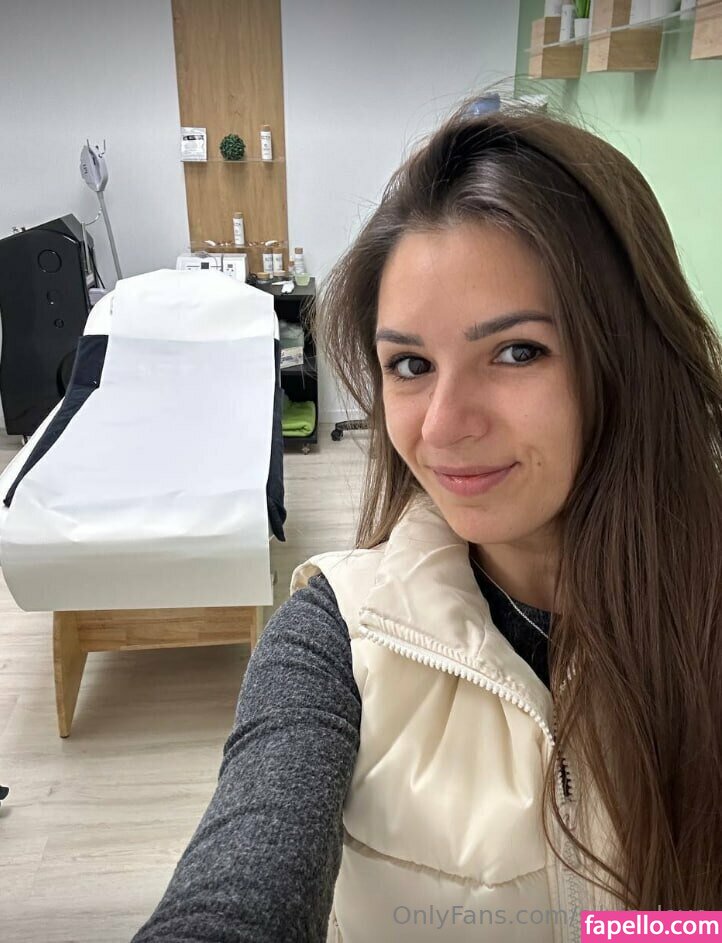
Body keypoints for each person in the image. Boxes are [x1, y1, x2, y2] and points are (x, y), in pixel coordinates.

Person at [132, 102, 722, 942]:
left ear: (627, 356)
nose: (442, 427)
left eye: (516, 351)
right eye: (410, 364)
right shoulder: (336, 640)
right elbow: (235, 894)